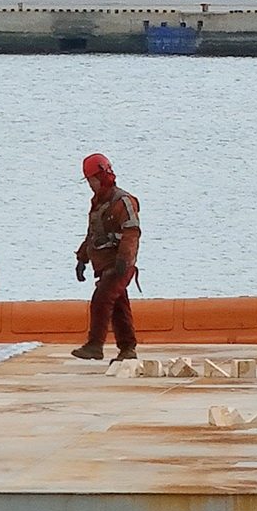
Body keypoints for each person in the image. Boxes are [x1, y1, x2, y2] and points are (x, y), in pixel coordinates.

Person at [72, 152, 142, 361]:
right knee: (119, 306)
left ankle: (95, 345)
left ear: (102, 177)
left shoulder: (123, 201)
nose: (91, 185)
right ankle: (127, 349)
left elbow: (132, 232)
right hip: (105, 265)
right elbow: (93, 234)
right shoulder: (98, 204)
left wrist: (124, 259)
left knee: (101, 299)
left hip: (119, 265)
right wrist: (82, 258)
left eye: (92, 180)